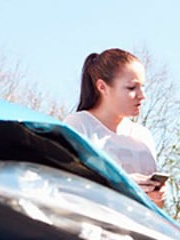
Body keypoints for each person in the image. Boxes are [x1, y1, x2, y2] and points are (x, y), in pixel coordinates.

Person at [64, 48, 166, 208]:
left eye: (143, 87)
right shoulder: (79, 125)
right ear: (102, 87)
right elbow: (68, 188)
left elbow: (157, 208)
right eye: (132, 88)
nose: (142, 95)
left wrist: (157, 196)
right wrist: (123, 186)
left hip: (139, 229)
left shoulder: (143, 135)